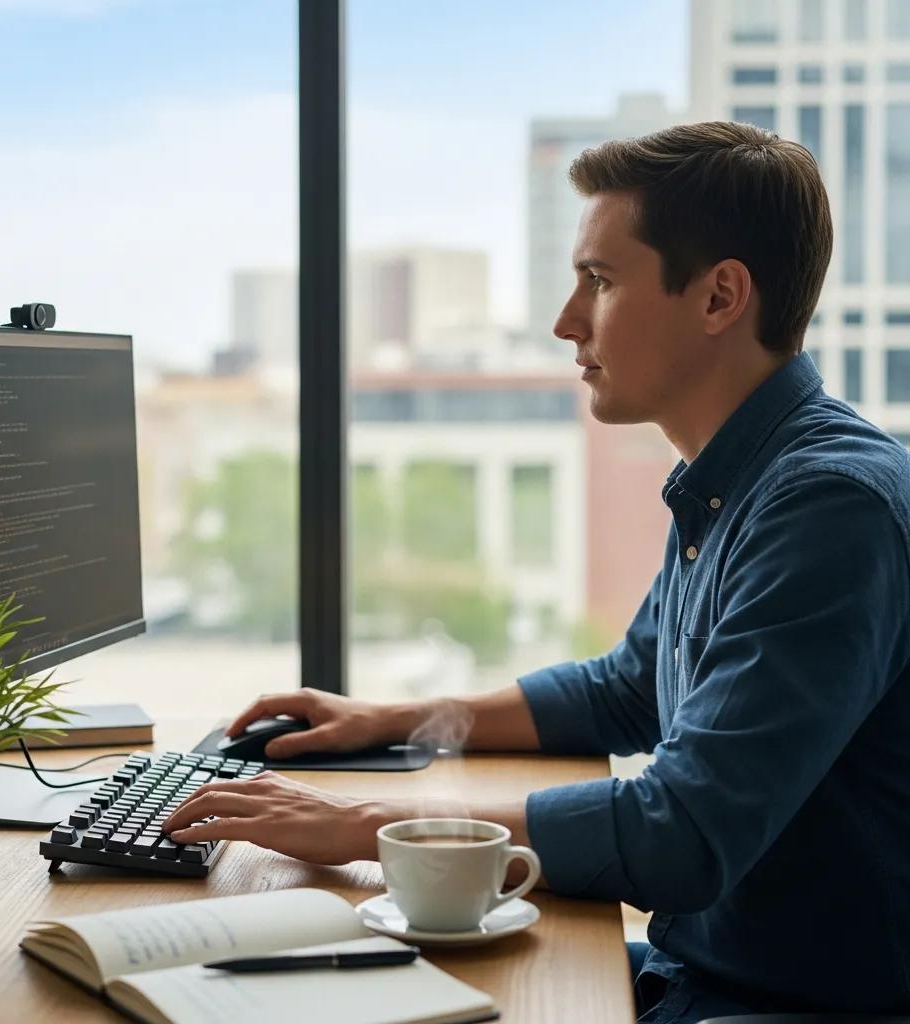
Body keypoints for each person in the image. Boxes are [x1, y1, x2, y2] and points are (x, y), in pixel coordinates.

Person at [163, 121, 910, 1023]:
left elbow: (680, 834)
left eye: (600, 280)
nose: (566, 321)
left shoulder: (828, 507)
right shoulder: (737, 480)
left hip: (782, 1005)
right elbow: (626, 689)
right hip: (703, 977)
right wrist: (395, 721)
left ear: (719, 297)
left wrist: (365, 827)